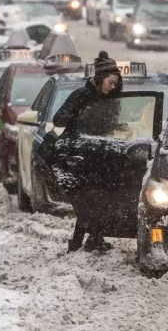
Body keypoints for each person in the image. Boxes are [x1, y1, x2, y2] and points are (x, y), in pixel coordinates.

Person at [52, 51, 123, 253]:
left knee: (98, 202)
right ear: (100, 79)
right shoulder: (81, 96)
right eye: (110, 82)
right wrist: (74, 114)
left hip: (100, 157)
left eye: (116, 84)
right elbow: (58, 120)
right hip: (77, 158)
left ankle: (92, 240)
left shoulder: (111, 101)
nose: (113, 87)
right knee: (87, 203)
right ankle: (81, 243)